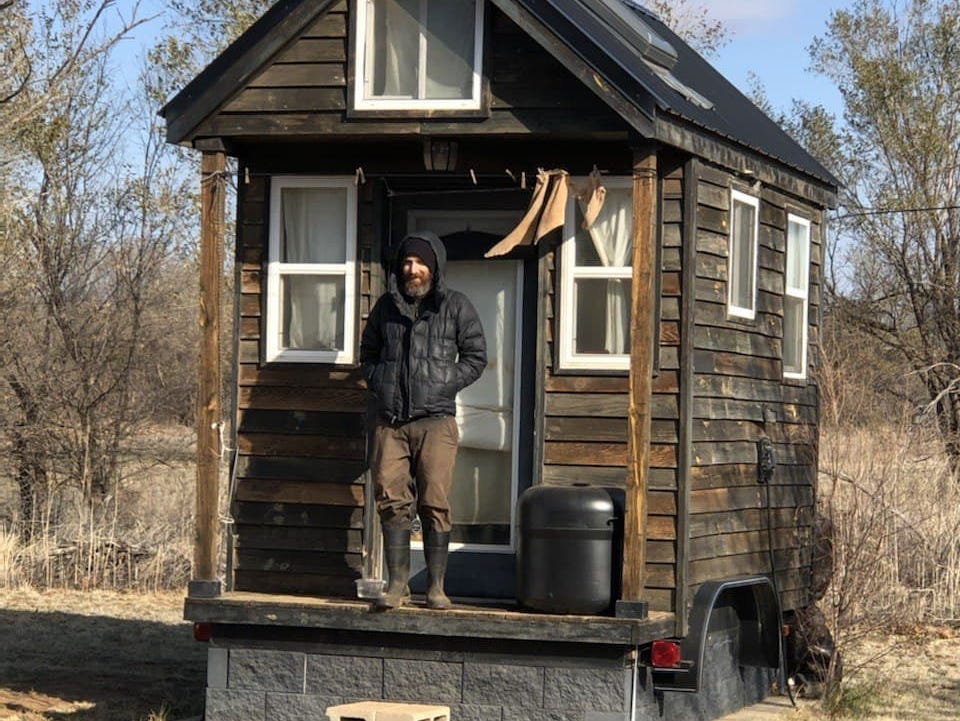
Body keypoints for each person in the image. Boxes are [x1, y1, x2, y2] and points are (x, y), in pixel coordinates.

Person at [360, 231, 487, 610]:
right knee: (391, 498)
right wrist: (380, 382)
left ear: (434, 267)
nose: (411, 269)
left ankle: (435, 588)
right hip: (391, 422)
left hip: (436, 421)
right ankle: (398, 586)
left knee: (434, 500)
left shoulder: (456, 306)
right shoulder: (386, 306)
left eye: (418, 262)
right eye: (406, 262)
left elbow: (476, 357)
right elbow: (367, 354)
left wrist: (445, 383)